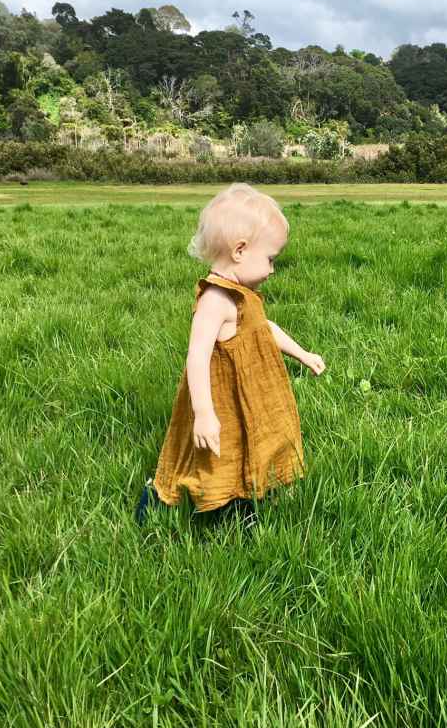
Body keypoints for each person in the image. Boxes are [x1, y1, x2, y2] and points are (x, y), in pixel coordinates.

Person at [136, 183, 325, 526]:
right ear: (240, 250)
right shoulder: (215, 300)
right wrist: (204, 412)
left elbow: (265, 327)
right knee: (212, 456)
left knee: (257, 440)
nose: (272, 270)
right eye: (270, 259)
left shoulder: (242, 294)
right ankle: (165, 502)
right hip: (223, 400)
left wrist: (302, 353)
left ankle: (248, 495)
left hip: (252, 393)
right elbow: (196, 356)